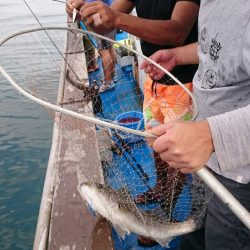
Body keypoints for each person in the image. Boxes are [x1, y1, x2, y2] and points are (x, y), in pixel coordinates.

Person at [79, 0, 200, 246]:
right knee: (156, 145)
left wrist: (117, 18)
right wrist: (87, 13)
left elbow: (177, 32)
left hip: (183, 83)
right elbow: (103, 29)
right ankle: (159, 187)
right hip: (154, 82)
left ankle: (165, 217)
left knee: (176, 154)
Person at [141, 1, 250, 249]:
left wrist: (211, 135)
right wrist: (178, 55)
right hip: (205, 162)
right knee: (195, 232)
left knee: (223, 239)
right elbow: (217, 45)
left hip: (239, 174)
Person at [66, 0, 116, 92]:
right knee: (110, 48)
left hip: (100, 19)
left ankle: (108, 83)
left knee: (104, 51)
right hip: (112, 14)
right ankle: (113, 76)